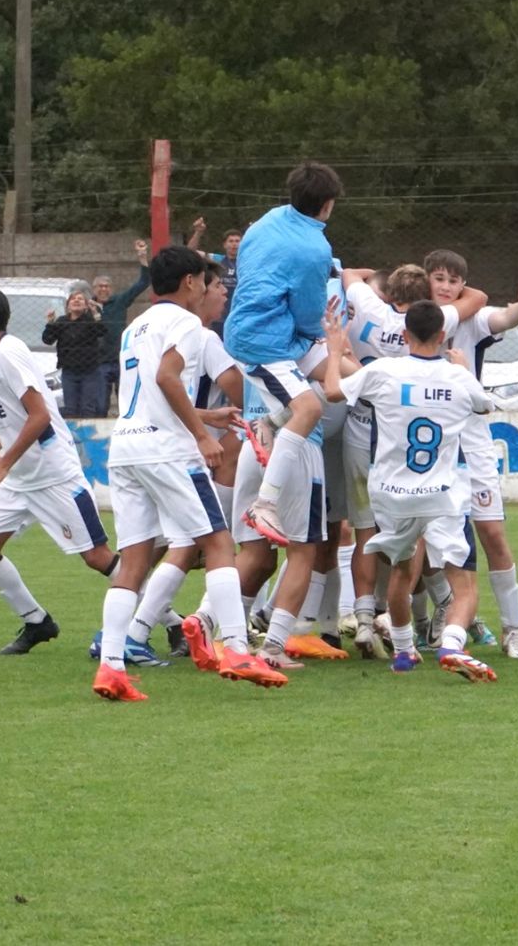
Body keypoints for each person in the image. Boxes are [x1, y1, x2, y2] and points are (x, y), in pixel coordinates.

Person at [92, 245, 285, 701]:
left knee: (135, 559)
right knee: (218, 542)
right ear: (189, 283)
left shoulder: (137, 325)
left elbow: (152, 389)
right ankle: (237, 649)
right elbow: (166, 377)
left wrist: (204, 417)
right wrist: (200, 432)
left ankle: (111, 665)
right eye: (204, 279)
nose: (208, 286)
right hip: (167, 450)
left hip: (127, 448)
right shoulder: (187, 324)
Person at [321, 299, 498, 683]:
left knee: (402, 573)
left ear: (404, 335)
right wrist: (464, 370)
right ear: (441, 335)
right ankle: (451, 643)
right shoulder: (457, 377)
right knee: (463, 582)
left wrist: (335, 350)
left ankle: (403, 653)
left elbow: (333, 391)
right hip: (443, 494)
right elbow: (484, 407)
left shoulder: (384, 371)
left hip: (392, 494)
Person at [0, 282, 118, 655]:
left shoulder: (8, 354)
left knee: (97, 557)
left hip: (54, 476)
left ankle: (171, 622)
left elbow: (39, 417)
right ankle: (37, 622)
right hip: (22, 480)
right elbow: (12, 423)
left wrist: (3, 465)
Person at [425, 248, 518, 659]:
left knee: (492, 534)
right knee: (429, 541)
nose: (445, 286)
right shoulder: (415, 321)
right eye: (438, 277)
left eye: (452, 280)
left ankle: (514, 630)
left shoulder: (470, 318)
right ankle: (440, 613)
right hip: (430, 446)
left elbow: (501, 319)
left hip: (472, 442)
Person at [223, 162, 341, 550]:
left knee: (346, 376)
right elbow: (309, 313)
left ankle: (269, 424)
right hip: (264, 343)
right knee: (308, 410)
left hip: (269, 332)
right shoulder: (315, 249)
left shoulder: (267, 220)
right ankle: (265, 504)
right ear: (327, 204)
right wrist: (320, 338)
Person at [92, 239, 153, 412]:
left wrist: (142, 257)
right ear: (94, 289)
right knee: (100, 404)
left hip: (120, 357)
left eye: (106, 286)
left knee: (125, 402)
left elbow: (142, 283)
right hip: (98, 361)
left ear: (111, 289)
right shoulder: (88, 307)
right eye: (100, 286)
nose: (103, 289)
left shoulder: (119, 301)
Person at [42, 290, 107, 417]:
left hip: (89, 371)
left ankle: (87, 435)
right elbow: (48, 340)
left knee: (88, 408)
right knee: (70, 408)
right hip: (69, 372)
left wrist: (96, 315)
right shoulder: (62, 321)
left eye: (80, 299)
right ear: (68, 305)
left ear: (85, 305)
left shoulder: (89, 321)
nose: (76, 300)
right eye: (73, 299)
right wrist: (50, 323)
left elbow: (102, 331)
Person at [188, 218, 243, 334]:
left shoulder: (248, 263)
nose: (234, 244)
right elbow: (190, 253)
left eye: (237, 241)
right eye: (231, 241)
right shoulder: (218, 260)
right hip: (219, 317)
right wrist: (198, 232)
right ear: (224, 244)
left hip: (240, 317)